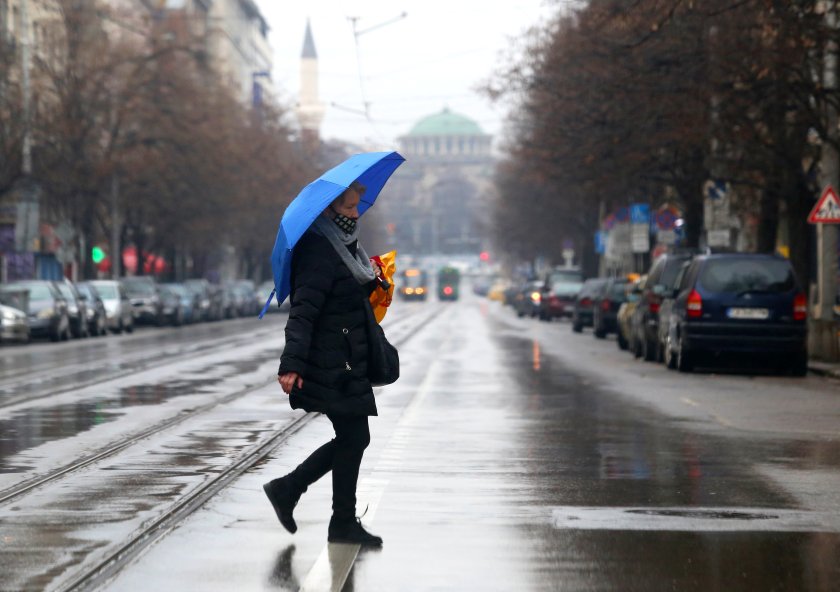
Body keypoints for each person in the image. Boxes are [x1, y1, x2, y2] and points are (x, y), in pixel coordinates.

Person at [263, 181, 384, 546]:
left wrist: (374, 282)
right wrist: (291, 363)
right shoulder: (319, 250)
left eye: (355, 206)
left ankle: (324, 511)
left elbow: (344, 298)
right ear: (328, 211)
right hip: (331, 362)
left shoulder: (348, 249)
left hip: (346, 360)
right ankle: (301, 496)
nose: (354, 213)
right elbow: (303, 311)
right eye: (347, 208)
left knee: (353, 438)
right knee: (354, 437)